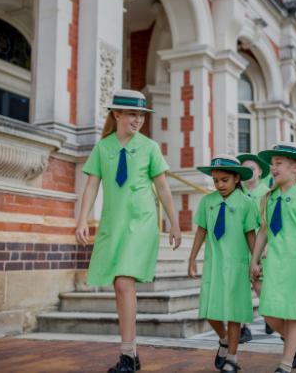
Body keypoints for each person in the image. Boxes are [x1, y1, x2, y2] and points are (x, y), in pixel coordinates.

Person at [75, 89, 181, 373]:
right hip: (114, 223)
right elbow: (91, 186)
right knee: (119, 287)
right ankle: (131, 353)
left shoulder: (150, 147)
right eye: (132, 114)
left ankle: (126, 356)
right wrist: (82, 219)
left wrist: (174, 222)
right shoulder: (103, 147)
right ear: (117, 114)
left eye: (141, 115)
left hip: (142, 222)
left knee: (124, 283)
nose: (138, 120)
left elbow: (163, 188)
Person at [251, 142, 296, 373]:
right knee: (269, 312)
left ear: (295, 168)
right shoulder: (270, 198)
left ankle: (286, 363)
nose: (273, 168)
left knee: (293, 316)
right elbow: (263, 231)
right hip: (274, 264)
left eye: (278, 163)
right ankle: (293, 343)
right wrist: (254, 259)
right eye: (272, 164)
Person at [188, 154, 259, 372]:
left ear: (236, 178)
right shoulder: (207, 202)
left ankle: (232, 359)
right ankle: (225, 339)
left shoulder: (247, 204)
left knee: (235, 314)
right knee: (210, 312)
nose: (219, 185)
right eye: (216, 180)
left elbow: (251, 235)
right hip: (214, 264)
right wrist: (192, 258)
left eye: (224, 180)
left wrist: (255, 261)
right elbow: (201, 230)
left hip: (238, 265)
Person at [236, 153, 274, 339]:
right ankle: (244, 328)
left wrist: (265, 246)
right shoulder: (238, 192)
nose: (249, 172)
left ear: (259, 172)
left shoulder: (267, 193)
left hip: (258, 246)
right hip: (238, 245)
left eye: (252, 168)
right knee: (240, 286)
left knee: (259, 285)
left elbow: (269, 222)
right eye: (245, 169)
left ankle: (270, 316)